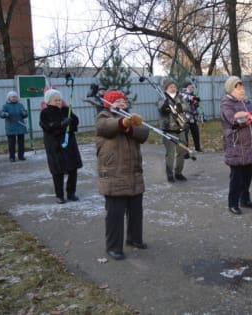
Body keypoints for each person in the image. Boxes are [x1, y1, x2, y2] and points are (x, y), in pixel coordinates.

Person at [95, 90, 149, 260]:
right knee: (115, 215)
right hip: (114, 174)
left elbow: (144, 133)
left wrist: (130, 126)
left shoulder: (132, 118)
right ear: (109, 104)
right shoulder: (102, 117)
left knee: (135, 211)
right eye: (117, 101)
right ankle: (113, 247)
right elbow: (106, 127)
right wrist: (123, 122)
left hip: (133, 174)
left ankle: (134, 239)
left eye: (123, 101)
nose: (121, 103)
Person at [220, 76, 252, 215]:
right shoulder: (226, 104)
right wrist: (249, 116)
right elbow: (235, 121)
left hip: (249, 145)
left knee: (247, 176)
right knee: (236, 178)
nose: (241, 90)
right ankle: (232, 203)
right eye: (237, 87)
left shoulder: (246, 102)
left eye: (242, 87)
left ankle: (245, 200)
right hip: (236, 145)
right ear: (230, 90)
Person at [39, 89, 83, 204]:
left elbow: (75, 121)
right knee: (58, 171)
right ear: (49, 101)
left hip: (69, 145)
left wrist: (71, 122)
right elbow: (48, 127)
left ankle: (71, 193)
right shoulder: (45, 113)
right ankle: (59, 195)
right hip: (55, 146)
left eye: (60, 99)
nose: (59, 102)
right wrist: (61, 125)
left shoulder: (66, 110)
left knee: (72, 169)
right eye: (56, 100)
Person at [158, 79, 189, 182]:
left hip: (180, 129)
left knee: (182, 152)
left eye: (174, 86)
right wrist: (166, 106)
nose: (173, 88)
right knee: (170, 153)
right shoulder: (162, 98)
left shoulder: (180, 97)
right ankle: (170, 174)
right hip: (168, 130)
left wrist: (178, 106)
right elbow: (161, 108)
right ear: (166, 88)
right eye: (170, 87)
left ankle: (179, 173)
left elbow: (186, 107)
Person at [0, 91, 28, 162]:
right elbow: (1, 114)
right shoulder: (5, 106)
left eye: (15, 97)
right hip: (11, 127)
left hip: (20, 125)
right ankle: (12, 157)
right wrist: (4, 114)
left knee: (21, 143)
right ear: (9, 97)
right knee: (12, 143)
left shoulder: (20, 105)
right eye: (12, 97)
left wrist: (24, 113)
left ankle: (21, 156)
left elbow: (25, 114)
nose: (14, 98)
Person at [181, 82, 202, 152]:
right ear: (185, 88)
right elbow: (184, 101)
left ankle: (198, 148)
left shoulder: (194, 95)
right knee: (185, 135)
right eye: (189, 87)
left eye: (192, 87)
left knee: (196, 133)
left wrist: (195, 101)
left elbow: (197, 105)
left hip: (193, 118)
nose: (191, 88)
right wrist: (190, 99)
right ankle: (186, 150)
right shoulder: (182, 95)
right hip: (186, 118)